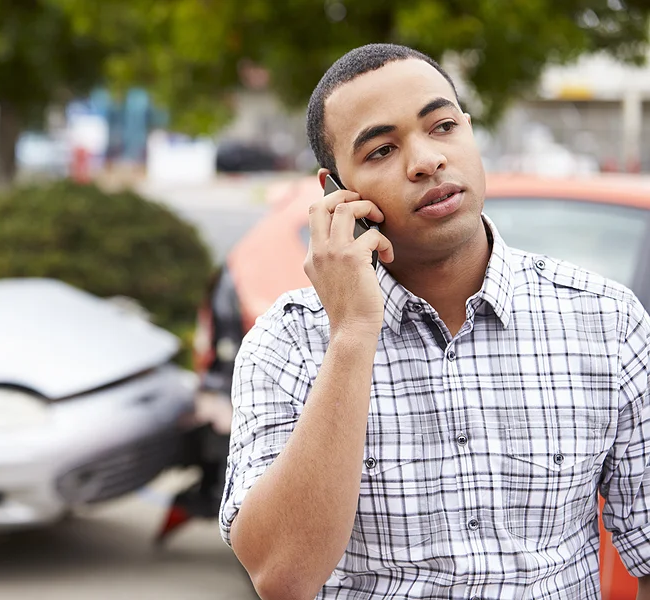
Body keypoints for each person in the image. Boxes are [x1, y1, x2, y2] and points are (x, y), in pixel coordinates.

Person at [220, 43, 650, 599]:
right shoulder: (288, 343)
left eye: (442, 126)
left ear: (470, 132)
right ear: (335, 192)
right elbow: (282, 575)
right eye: (380, 150)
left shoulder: (606, 321)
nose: (425, 160)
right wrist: (351, 333)